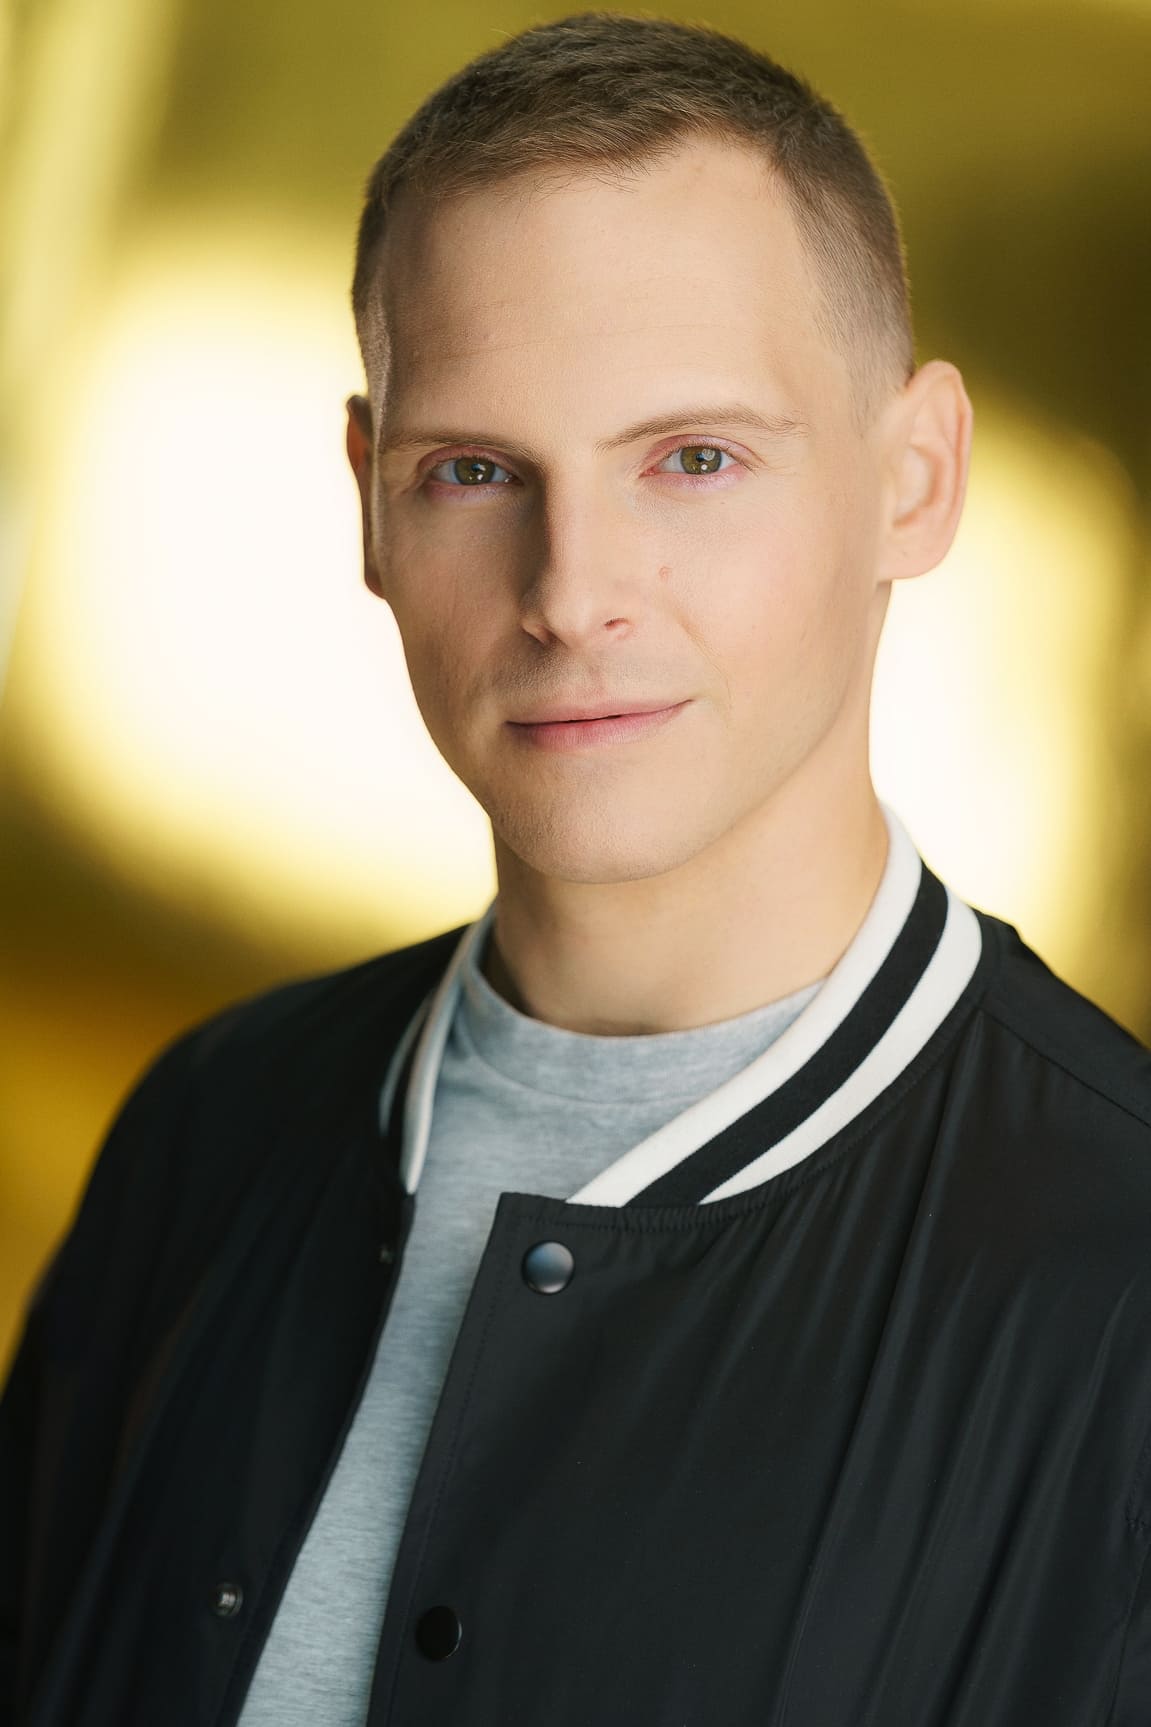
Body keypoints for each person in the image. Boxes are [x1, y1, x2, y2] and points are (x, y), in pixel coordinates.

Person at [2, 10, 1150, 1725]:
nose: (570, 590)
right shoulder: (204, 1134)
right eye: (474, 471)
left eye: (693, 459)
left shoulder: (1121, 1286)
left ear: (915, 480)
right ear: (370, 503)